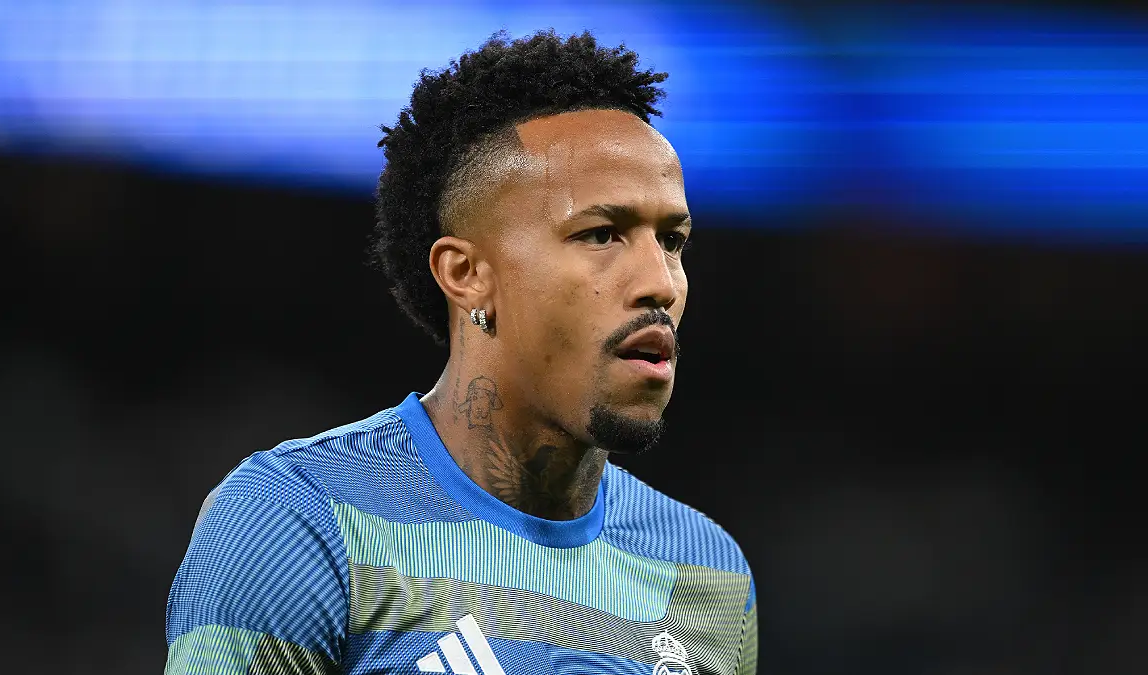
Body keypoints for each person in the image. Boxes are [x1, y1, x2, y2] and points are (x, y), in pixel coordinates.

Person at [164, 29, 756, 675]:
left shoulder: (710, 574)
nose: (661, 284)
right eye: (601, 234)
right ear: (467, 274)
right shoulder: (297, 522)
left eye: (672, 240)